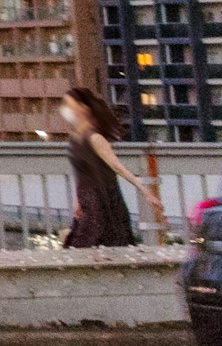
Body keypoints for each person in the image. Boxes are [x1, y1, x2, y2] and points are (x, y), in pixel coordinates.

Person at [58, 86, 155, 246]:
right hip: (87, 199)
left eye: (70, 105)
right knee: (86, 244)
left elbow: (116, 166)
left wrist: (144, 189)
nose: (67, 110)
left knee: (97, 242)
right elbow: (81, 172)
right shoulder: (75, 137)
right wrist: (77, 201)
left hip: (102, 199)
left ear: (84, 108)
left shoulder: (95, 138)